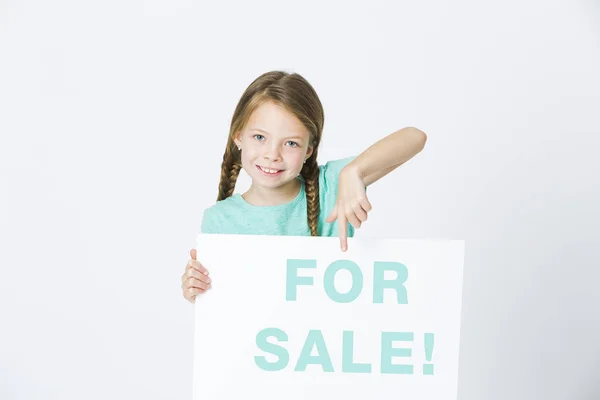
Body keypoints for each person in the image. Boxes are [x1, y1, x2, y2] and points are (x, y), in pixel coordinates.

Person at [181, 70, 427, 303]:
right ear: (238, 136)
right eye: (260, 137)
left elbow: (415, 137)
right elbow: (226, 306)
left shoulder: (331, 186)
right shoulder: (220, 220)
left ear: (309, 149)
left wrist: (355, 172)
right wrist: (197, 292)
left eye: (290, 143)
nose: (272, 154)